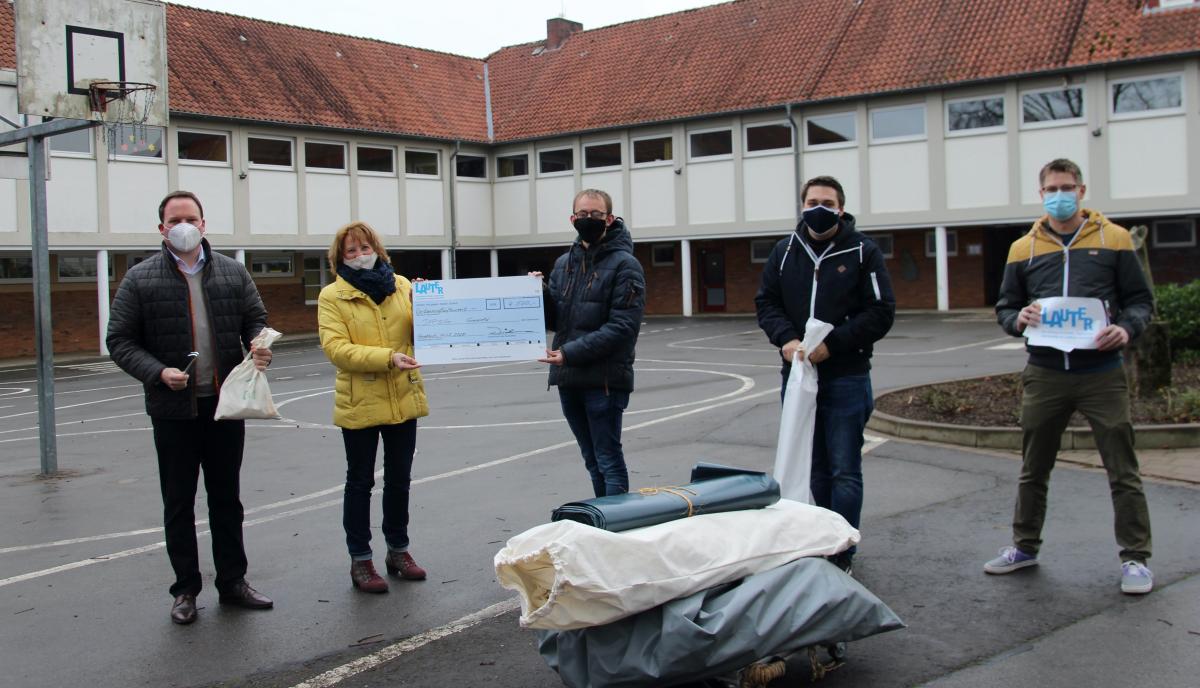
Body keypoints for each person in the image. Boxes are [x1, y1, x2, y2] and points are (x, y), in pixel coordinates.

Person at [986, 158, 1155, 594]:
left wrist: (1127, 328)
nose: (1059, 195)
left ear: (1081, 191)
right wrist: (1017, 318)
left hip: (1102, 372)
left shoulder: (1114, 239)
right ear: (1041, 195)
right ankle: (1024, 547)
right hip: (1044, 372)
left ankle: (1135, 559)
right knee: (1033, 467)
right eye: (1051, 189)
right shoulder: (1023, 247)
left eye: (1067, 186)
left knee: (1123, 469)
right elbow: (1006, 306)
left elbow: (1140, 301)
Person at [107, 190, 275, 625]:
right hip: (172, 411)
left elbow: (255, 319)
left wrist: (259, 345)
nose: (183, 225)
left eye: (191, 218)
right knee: (179, 503)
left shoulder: (233, 273)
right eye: (174, 219)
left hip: (224, 407)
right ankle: (185, 590)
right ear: (161, 228)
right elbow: (120, 341)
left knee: (226, 500)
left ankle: (233, 583)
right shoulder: (140, 278)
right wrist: (158, 372)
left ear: (204, 224)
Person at [755, 175, 895, 573]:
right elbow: (766, 303)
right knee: (814, 465)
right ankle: (821, 539)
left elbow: (881, 312)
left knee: (844, 468)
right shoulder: (784, 252)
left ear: (841, 208)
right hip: (798, 375)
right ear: (802, 206)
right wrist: (785, 340)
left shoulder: (864, 251)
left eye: (828, 202)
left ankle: (843, 550)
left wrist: (833, 345)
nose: (819, 208)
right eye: (812, 200)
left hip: (846, 375)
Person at [317, 221, 429, 594]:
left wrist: (428, 310)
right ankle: (360, 559)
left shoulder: (401, 286)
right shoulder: (332, 296)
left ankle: (399, 551)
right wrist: (388, 357)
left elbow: (422, 335)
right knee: (360, 481)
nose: (360, 255)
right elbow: (337, 349)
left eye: (365, 247)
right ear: (340, 258)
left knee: (400, 480)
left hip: (403, 395)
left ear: (377, 249)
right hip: (360, 400)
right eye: (351, 251)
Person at [539, 189, 646, 497]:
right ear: (573, 219)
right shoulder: (563, 264)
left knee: (608, 459)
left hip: (604, 380)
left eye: (596, 215)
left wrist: (569, 354)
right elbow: (556, 319)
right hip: (569, 378)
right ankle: (603, 520)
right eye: (583, 215)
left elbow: (623, 327)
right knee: (591, 460)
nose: (589, 220)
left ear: (609, 219)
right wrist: (540, 293)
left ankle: (617, 529)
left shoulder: (626, 265)